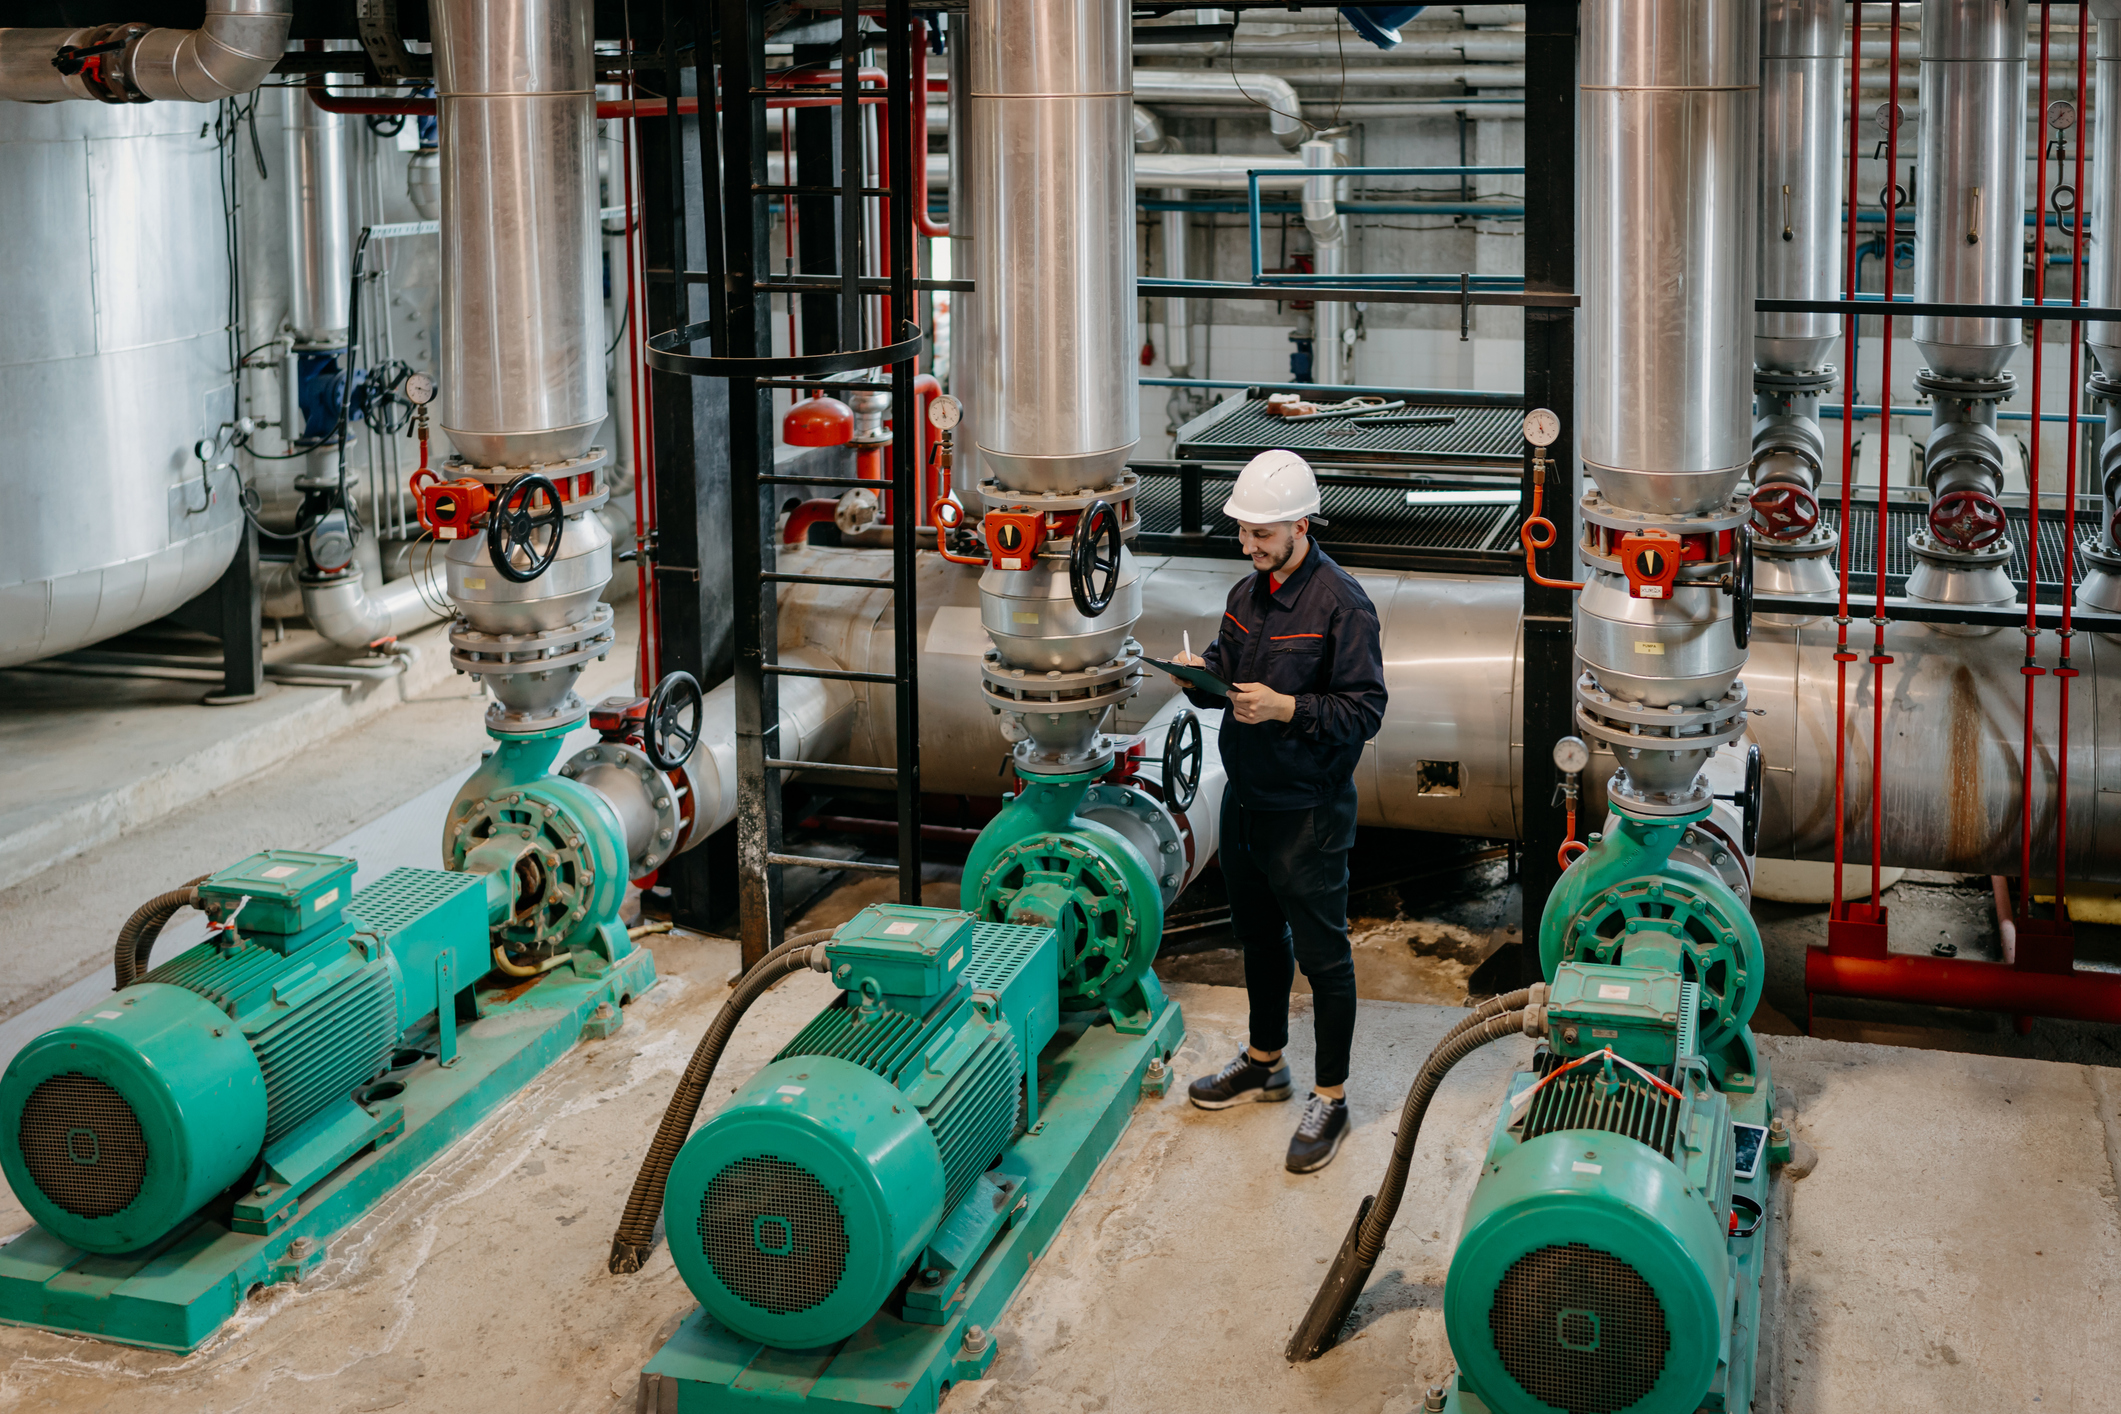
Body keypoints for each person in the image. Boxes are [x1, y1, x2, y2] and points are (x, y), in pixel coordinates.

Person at [1170, 448, 1386, 1172]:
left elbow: (1364, 711)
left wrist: (1287, 706)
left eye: (1261, 533)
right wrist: (1199, 677)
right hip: (1246, 796)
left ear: (1299, 524)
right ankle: (1264, 1060)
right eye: (1242, 531)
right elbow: (1224, 668)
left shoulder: (1342, 604)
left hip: (1308, 808)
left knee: (1323, 957)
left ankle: (1331, 1096)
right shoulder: (1246, 593)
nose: (1248, 545)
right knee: (1257, 935)